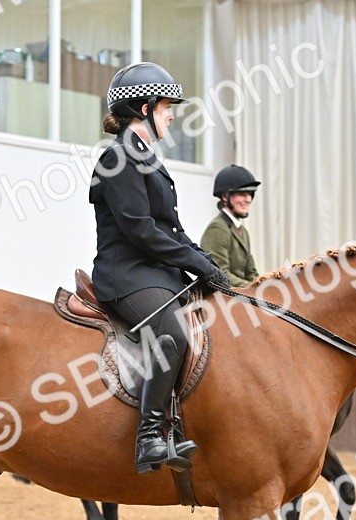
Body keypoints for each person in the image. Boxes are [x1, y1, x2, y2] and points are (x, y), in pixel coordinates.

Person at [89, 62, 230, 475]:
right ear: (145, 107)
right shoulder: (116, 159)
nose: (172, 114)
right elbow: (140, 230)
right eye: (168, 106)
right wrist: (193, 263)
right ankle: (149, 436)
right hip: (126, 276)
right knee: (172, 331)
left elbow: (173, 229)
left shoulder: (147, 158)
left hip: (155, 273)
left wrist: (207, 264)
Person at [200, 165, 260, 287]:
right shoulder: (217, 228)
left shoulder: (243, 231)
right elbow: (220, 273)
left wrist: (264, 286)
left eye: (250, 193)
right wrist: (252, 290)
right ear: (224, 196)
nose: (248, 199)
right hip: (221, 297)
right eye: (242, 193)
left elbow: (251, 272)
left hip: (240, 294)